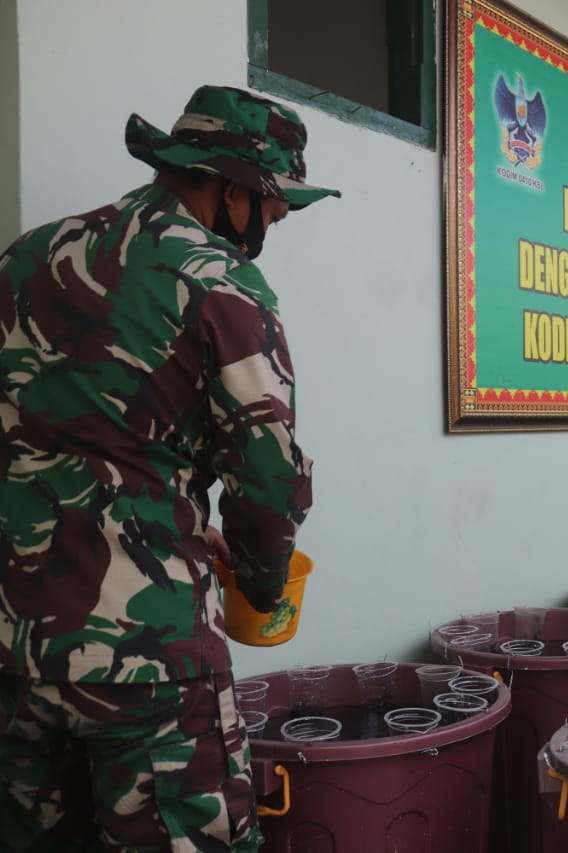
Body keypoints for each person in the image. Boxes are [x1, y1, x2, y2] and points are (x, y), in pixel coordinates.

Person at [0, 85, 338, 852]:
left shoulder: (26, 256)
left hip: (18, 652)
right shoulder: (221, 284)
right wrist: (257, 578)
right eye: (273, 210)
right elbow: (270, 479)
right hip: (151, 665)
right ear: (230, 189)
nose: (270, 229)